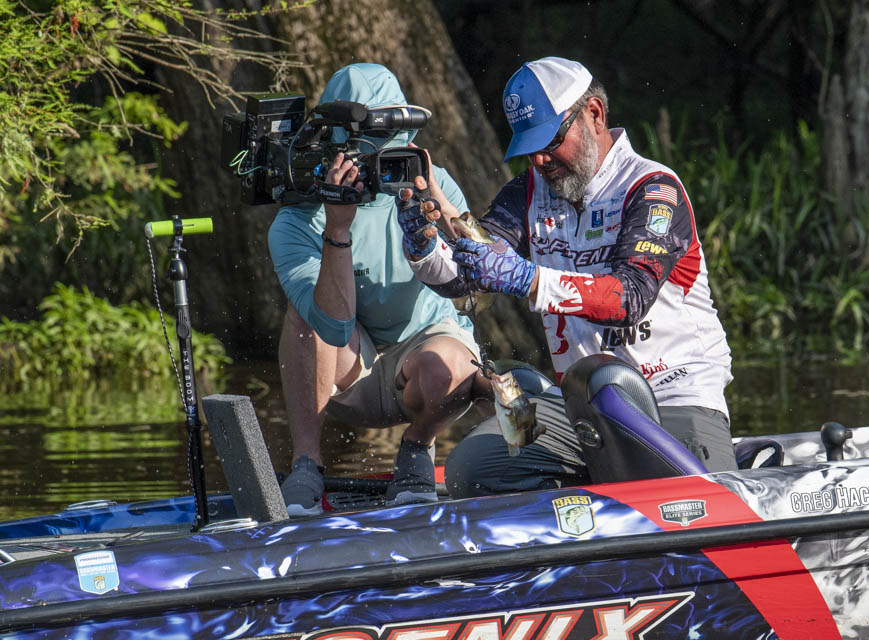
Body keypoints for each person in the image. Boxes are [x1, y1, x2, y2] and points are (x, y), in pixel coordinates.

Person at [397, 56, 736, 498]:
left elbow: (629, 298)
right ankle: (584, 505)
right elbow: (465, 280)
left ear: (594, 114)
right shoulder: (527, 193)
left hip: (673, 398)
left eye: (551, 141)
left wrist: (529, 279)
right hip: (583, 407)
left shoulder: (654, 190)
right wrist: (423, 246)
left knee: (690, 506)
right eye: (529, 147)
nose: (540, 159)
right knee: (471, 469)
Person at [268, 63, 485, 514]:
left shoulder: (430, 181)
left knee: (453, 363)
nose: (381, 162)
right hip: (349, 370)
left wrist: (438, 199)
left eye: (393, 146)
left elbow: (482, 276)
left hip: (426, 356)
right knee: (303, 318)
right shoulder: (297, 219)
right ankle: (306, 464)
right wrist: (338, 228)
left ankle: (416, 449)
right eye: (368, 149)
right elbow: (332, 326)